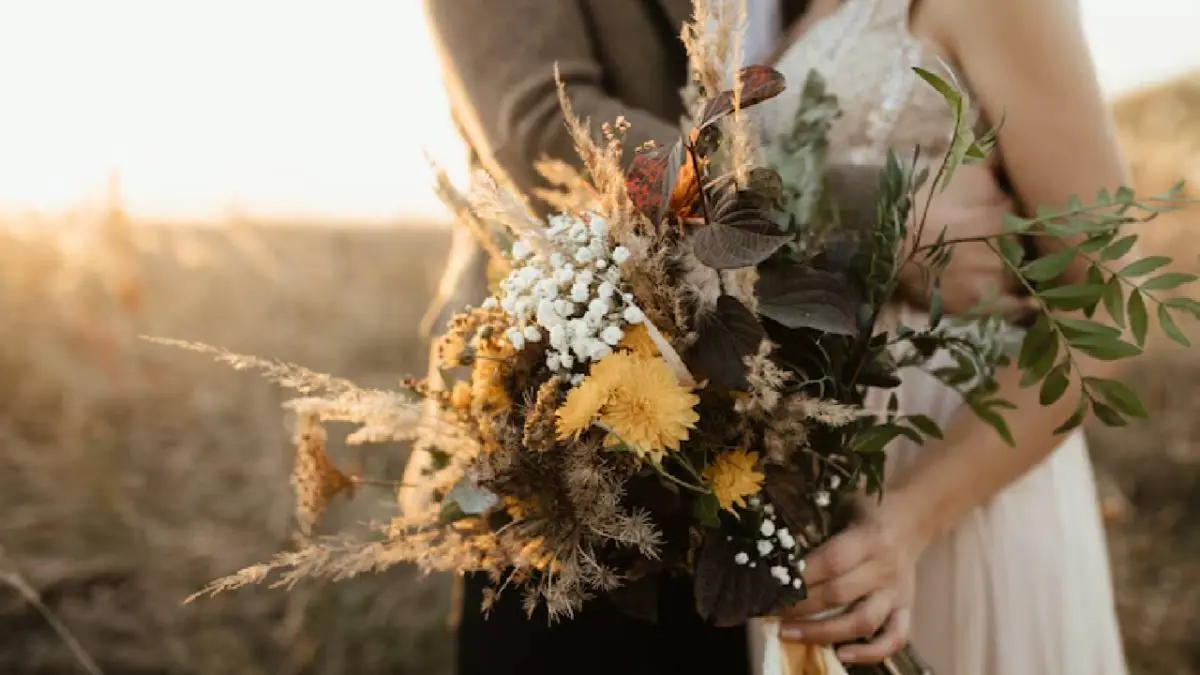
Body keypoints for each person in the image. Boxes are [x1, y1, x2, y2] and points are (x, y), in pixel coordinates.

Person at [751, 0, 1132, 673]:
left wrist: (910, 518)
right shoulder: (798, 12)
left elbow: (1107, 307)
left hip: (957, 493)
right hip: (828, 522)